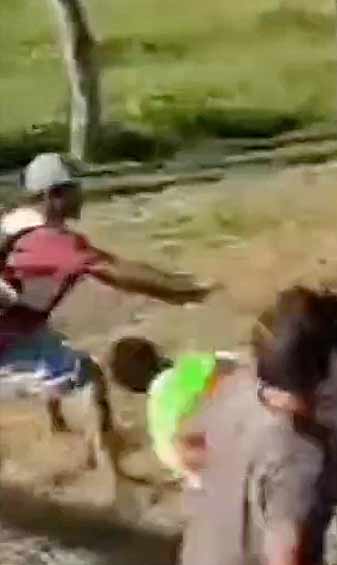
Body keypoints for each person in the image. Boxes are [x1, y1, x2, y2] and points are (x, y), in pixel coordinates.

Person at [173, 286, 337, 565]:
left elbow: (187, 444)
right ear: (325, 371)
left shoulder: (236, 386)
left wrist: (229, 485)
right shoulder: (297, 455)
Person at [1, 153, 216, 481]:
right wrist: (186, 292)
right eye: (73, 189)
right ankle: (111, 477)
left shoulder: (15, 221)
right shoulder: (50, 241)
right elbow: (114, 270)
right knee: (89, 377)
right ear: (52, 196)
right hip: (8, 336)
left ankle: (59, 431)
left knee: (52, 345)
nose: (81, 195)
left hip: (18, 325)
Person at [107, 336, 241, 489]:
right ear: (156, 355)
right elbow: (231, 362)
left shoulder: (158, 416)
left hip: (220, 478)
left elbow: (176, 462)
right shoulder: (188, 371)